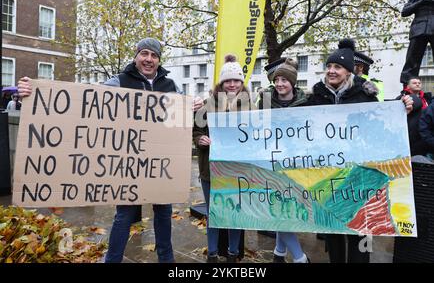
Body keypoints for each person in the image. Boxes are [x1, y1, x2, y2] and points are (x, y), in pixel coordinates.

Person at [18, 37, 196, 263]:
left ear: (159, 60)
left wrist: (191, 107)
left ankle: (167, 261)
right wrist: (33, 91)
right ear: (136, 56)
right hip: (128, 164)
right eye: (145, 54)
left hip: (160, 165)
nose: (149, 59)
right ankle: (112, 260)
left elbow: (179, 119)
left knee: (163, 215)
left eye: (154, 55)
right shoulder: (119, 81)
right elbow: (83, 100)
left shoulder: (171, 86)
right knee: (124, 216)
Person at [307, 38, 413, 263]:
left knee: (360, 229)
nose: (331, 71)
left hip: (359, 174)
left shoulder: (365, 96)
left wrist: (409, 105)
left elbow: (383, 122)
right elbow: (294, 122)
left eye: (337, 67)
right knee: (334, 230)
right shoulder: (316, 95)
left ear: (348, 71)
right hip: (329, 174)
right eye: (329, 67)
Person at [193, 54, 255, 263]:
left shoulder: (251, 106)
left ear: (241, 82)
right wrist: (200, 139)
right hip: (210, 170)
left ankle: (233, 254)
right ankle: (212, 253)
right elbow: (195, 130)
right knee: (214, 214)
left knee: (235, 215)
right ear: (221, 82)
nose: (232, 84)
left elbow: (256, 134)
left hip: (238, 170)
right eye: (227, 80)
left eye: (236, 80)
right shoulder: (208, 105)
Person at [257, 58, 310, 263]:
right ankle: (300, 258)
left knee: (287, 208)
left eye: (284, 80)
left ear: (293, 82)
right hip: (271, 162)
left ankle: (279, 253)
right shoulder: (266, 100)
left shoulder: (305, 102)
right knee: (280, 209)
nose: (279, 84)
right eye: (276, 79)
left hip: (296, 163)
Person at [400, 0, 434, 85]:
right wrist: (421, 2)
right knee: (412, 61)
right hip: (419, 29)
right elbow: (405, 12)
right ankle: (407, 87)